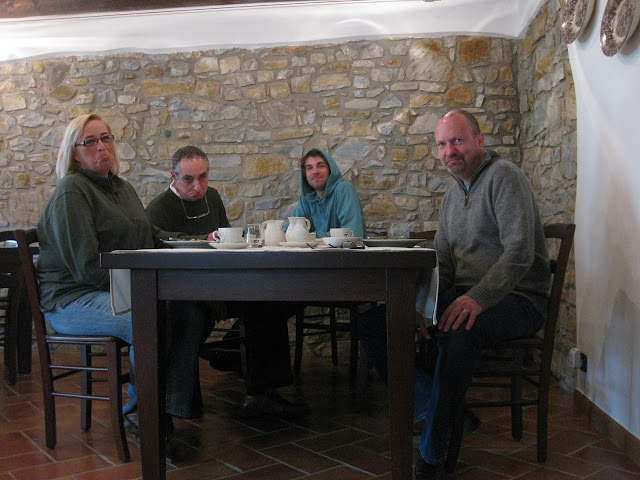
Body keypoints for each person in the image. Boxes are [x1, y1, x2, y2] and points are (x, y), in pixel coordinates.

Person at [358, 110, 551, 479]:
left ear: (479, 140)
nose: (450, 151)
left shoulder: (504, 177)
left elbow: (519, 253)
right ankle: (437, 410)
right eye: (442, 144)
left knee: (460, 329)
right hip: (470, 295)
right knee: (377, 323)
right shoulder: (451, 196)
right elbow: (443, 264)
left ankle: (433, 454)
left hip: (520, 299)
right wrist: (421, 306)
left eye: (457, 141)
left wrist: (477, 298)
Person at [36, 113, 210, 428]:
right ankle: (141, 416)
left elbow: (151, 237)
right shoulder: (72, 190)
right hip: (71, 298)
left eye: (106, 138)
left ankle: (169, 406)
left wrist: (197, 242)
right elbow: (87, 268)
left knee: (188, 309)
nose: (101, 146)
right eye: (90, 141)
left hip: (112, 289)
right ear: (74, 153)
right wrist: (144, 289)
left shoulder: (121, 188)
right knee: (146, 316)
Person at [147, 146, 305, 418]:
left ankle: (262, 393)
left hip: (222, 281)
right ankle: (224, 365)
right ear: (173, 176)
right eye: (188, 179)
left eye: (203, 177)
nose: (198, 186)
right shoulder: (158, 209)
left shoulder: (212, 197)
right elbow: (158, 247)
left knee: (269, 298)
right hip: (188, 290)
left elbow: (226, 238)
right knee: (195, 314)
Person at [290, 148, 366, 238]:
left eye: (321, 166)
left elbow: (353, 233)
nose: (315, 171)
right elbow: (290, 231)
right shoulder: (307, 199)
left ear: (330, 170)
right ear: (305, 175)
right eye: (309, 168)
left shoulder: (344, 190)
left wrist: (309, 236)